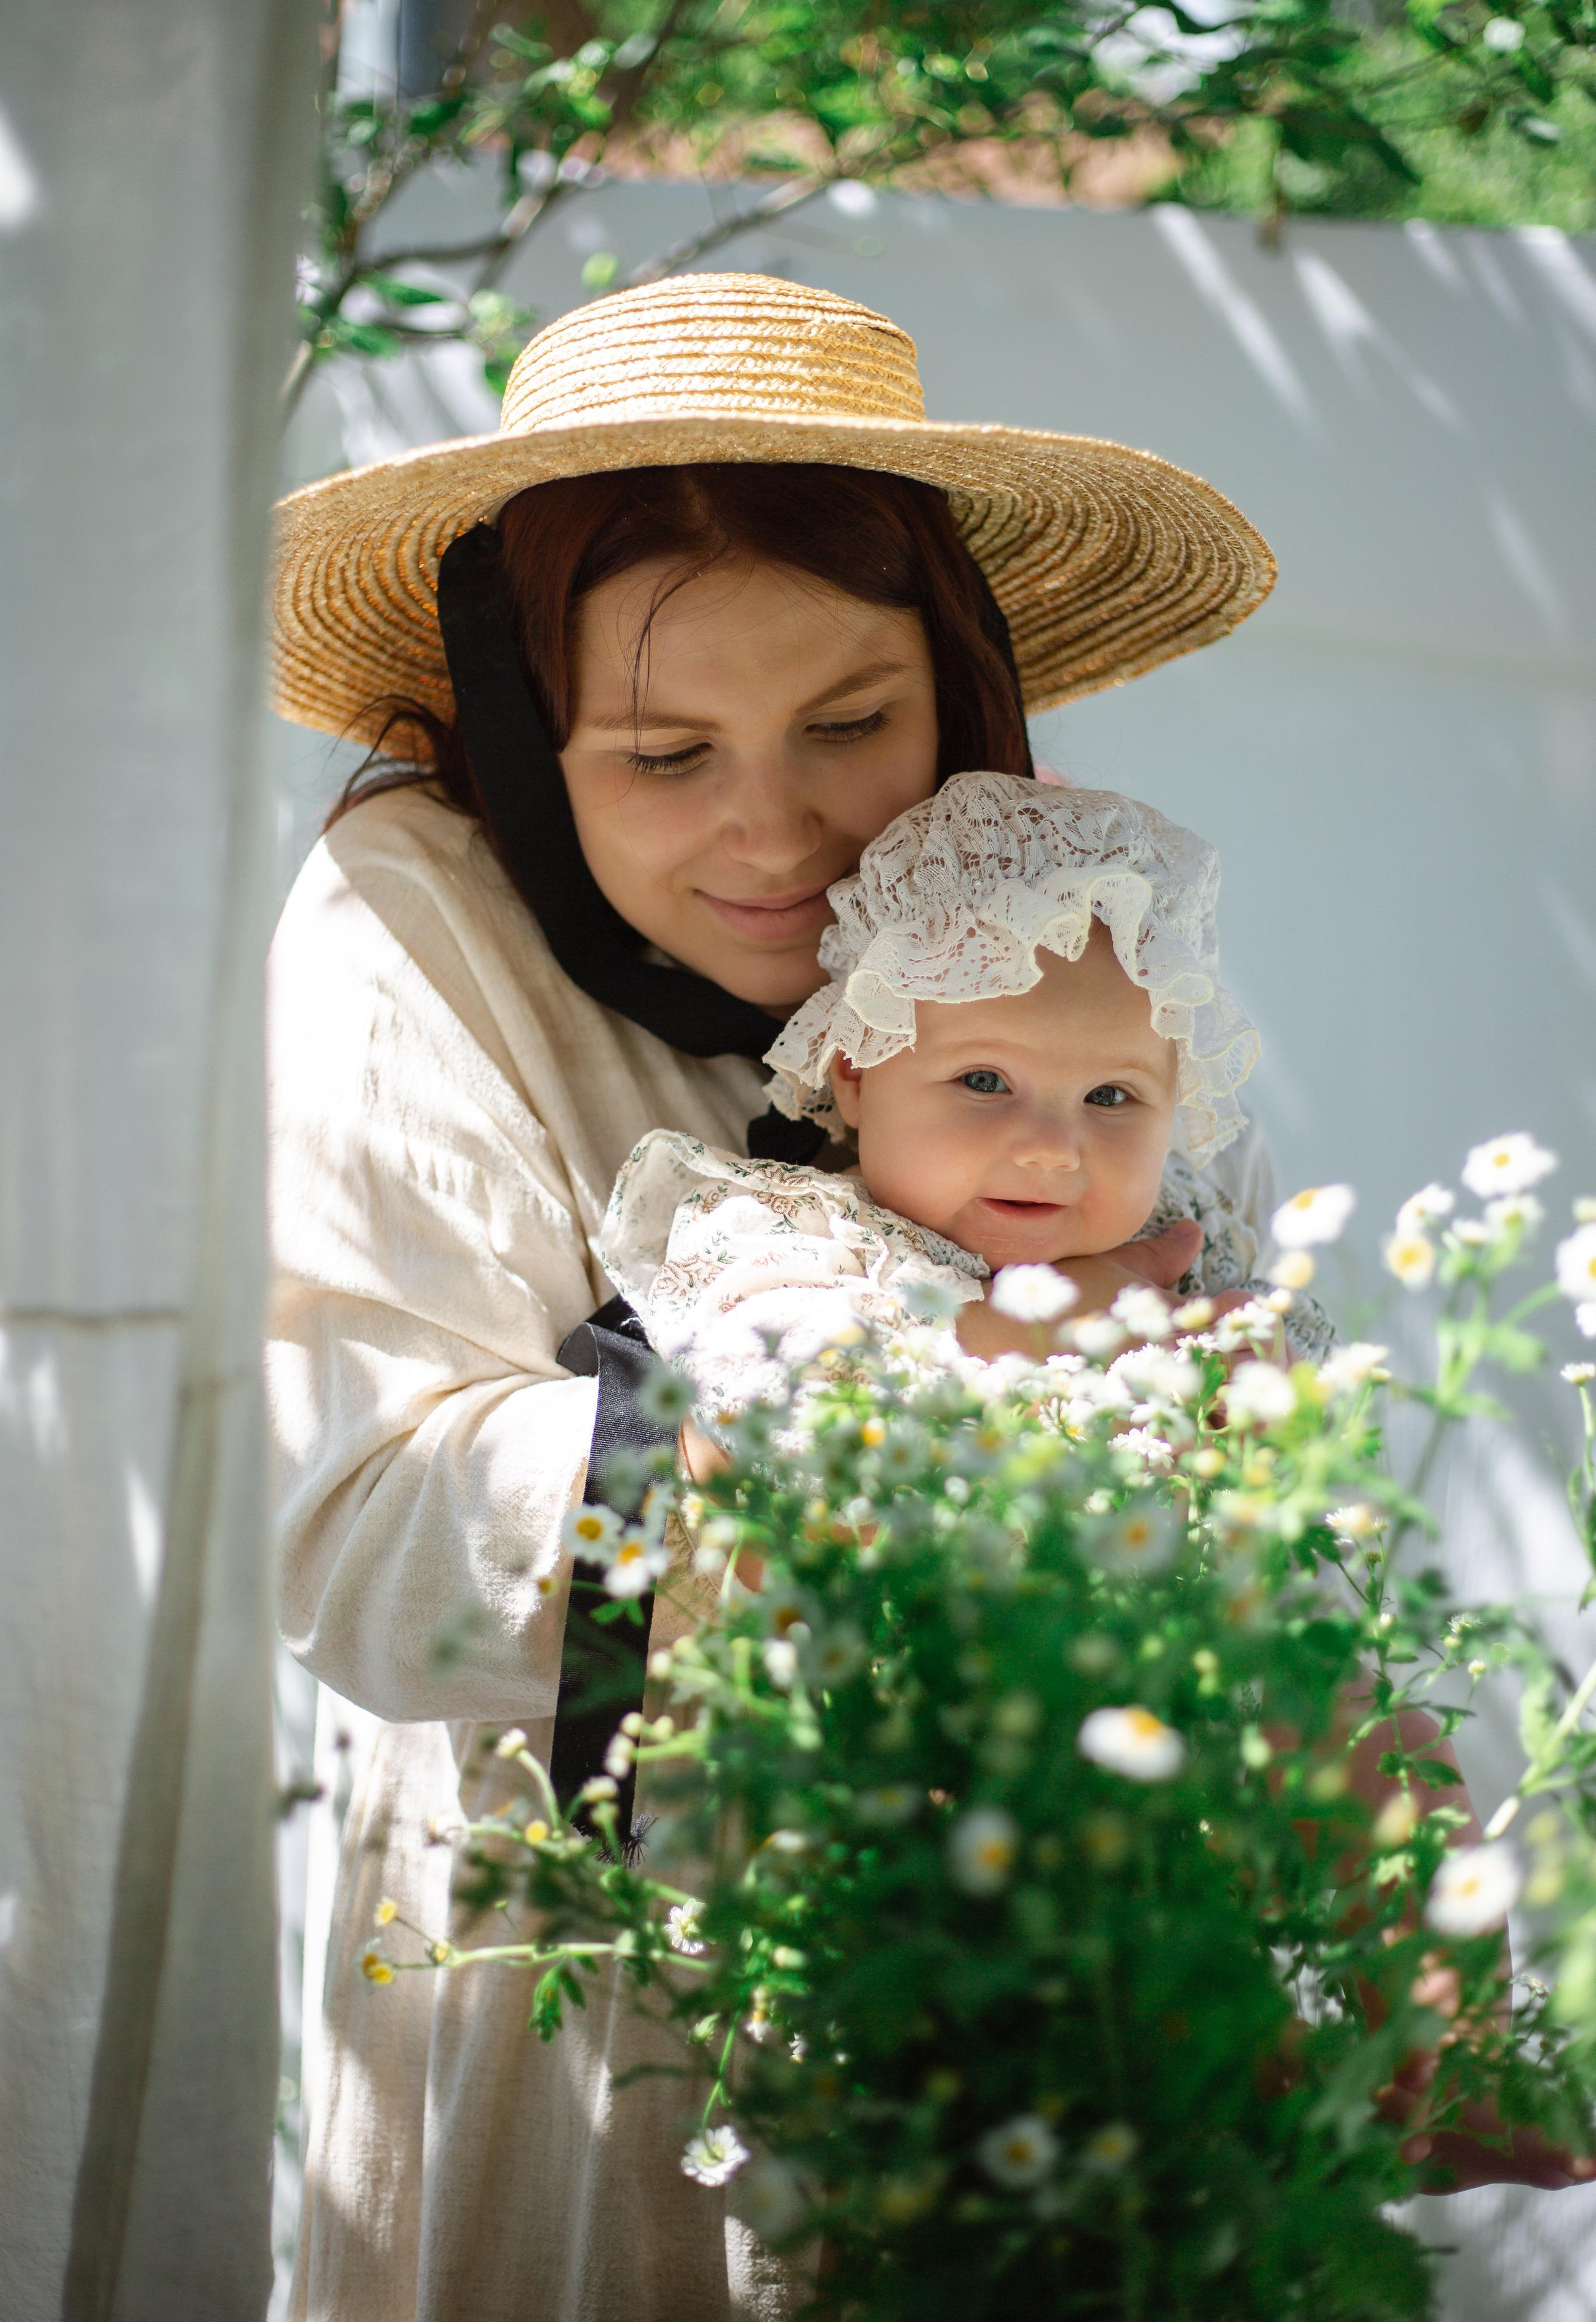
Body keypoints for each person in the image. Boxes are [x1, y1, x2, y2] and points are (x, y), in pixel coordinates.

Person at [266, 274, 1575, 2322]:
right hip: (627, 2010)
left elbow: (1228, 1423)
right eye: (663, 750)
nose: (773, 825)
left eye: (852, 724)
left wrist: (1373, 1806)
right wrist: (864, 1421)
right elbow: (363, 1538)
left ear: (961, 686)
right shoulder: (424, 926)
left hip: (1068, 1987)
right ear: (527, 738)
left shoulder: (1064, 938)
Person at [600, 769, 1329, 1417]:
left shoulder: (1180, 1237)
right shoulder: (811, 1247)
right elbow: (760, 1393)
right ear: (855, 1072)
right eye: (985, 1082)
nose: (1050, 1149)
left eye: (1110, 1097)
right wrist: (1019, 1331)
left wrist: (1259, 1387)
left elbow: (1320, 1411)